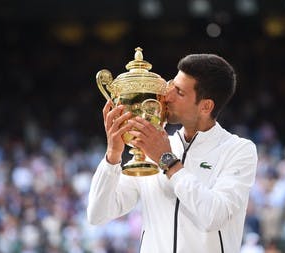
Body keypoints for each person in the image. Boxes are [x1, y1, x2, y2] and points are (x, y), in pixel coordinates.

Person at [87, 53, 258, 253]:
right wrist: (113, 156)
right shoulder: (153, 145)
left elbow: (213, 215)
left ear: (206, 106)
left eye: (179, 92)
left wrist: (167, 161)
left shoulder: (238, 150)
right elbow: (98, 214)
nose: (167, 96)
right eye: (171, 85)